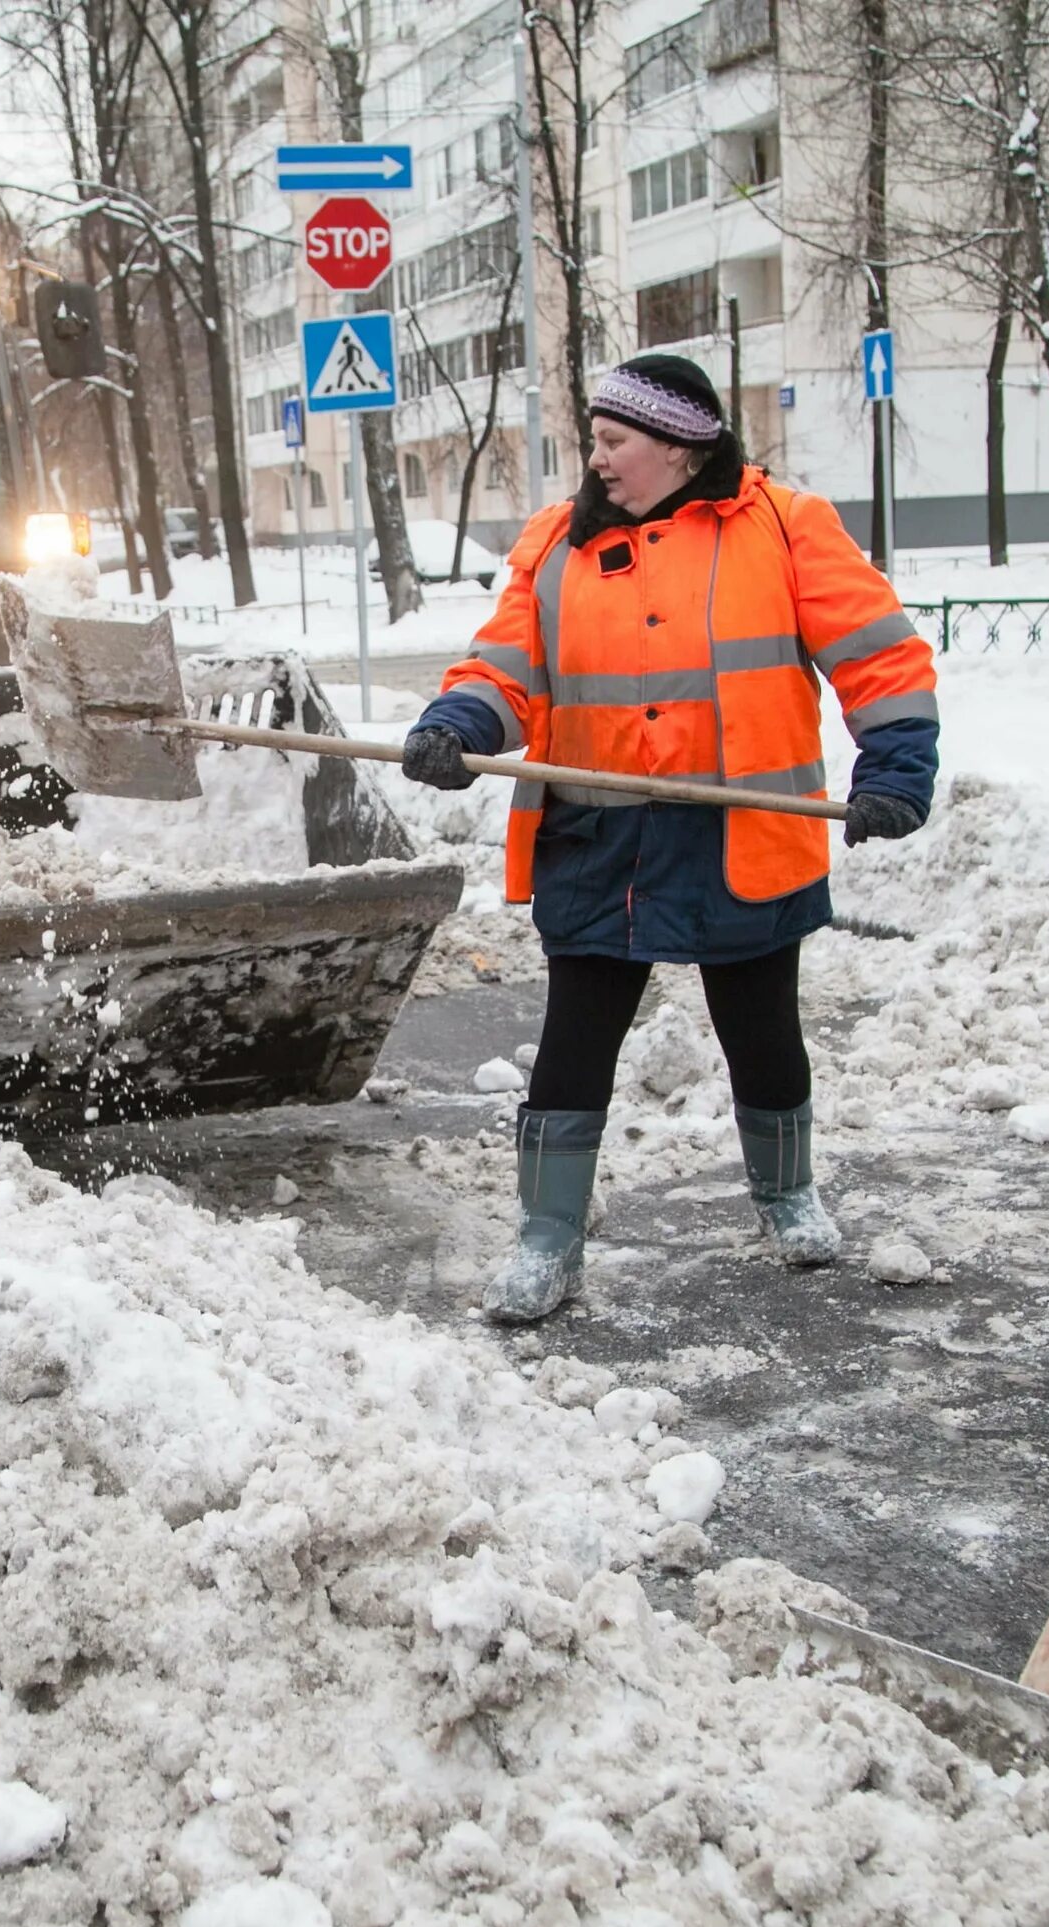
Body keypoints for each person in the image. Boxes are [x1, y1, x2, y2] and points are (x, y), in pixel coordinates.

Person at [400, 355, 939, 1322]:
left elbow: (876, 650)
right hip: (601, 832)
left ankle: (786, 1195)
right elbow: (507, 660)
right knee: (577, 1033)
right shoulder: (557, 542)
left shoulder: (781, 525)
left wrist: (896, 766)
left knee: (761, 1026)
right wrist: (463, 723)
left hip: (744, 831)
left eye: (614, 443)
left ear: (682, 447)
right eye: (595, 441)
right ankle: (548, 1235)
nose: (597, 462)